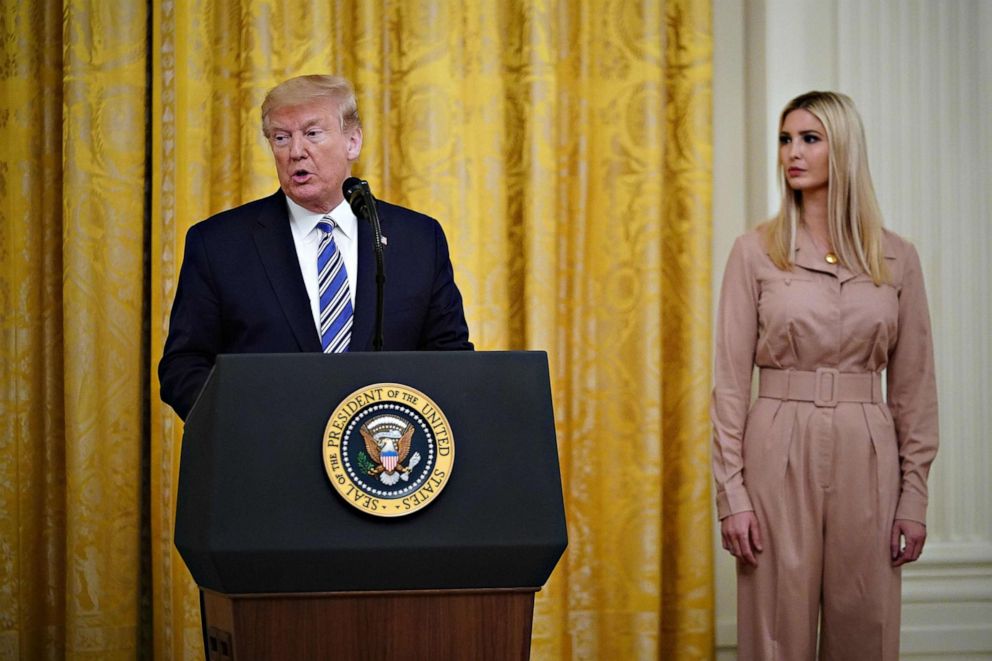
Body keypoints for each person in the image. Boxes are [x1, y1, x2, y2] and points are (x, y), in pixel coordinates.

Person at [711, 91, 938, 659]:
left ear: (844, 149)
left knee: (866, 621)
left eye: (809, 139)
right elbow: (731, 383)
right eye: (786, 140)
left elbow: (913, 389)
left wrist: (915, 497)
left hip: (868, 446)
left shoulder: (896, 258)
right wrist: (731, 493)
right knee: (774, 629)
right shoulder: (754, 253)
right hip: (777, 441)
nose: (792, 152)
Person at [159, 74, 473, 421]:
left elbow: (451, 357)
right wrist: (241, 425)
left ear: (352, 142)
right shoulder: (219, 244)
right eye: (281, 138)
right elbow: (184, 366)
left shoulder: (417, 239)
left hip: (381, 458)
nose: (295, 152)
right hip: (266, 459)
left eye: (312, 133)